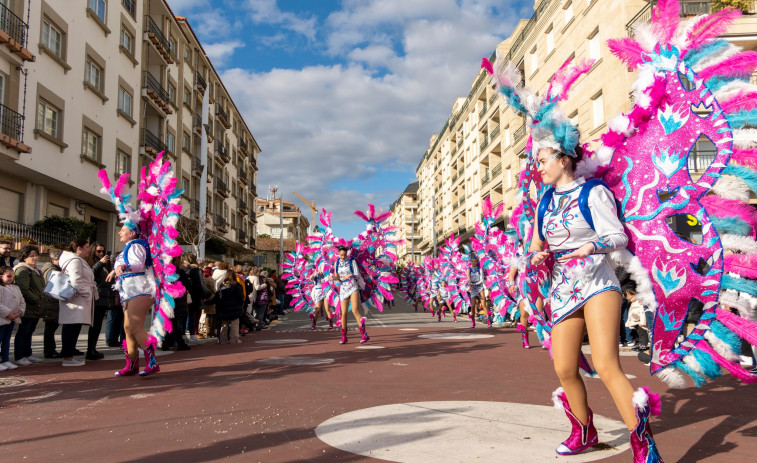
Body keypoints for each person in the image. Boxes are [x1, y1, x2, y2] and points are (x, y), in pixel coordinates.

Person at [529, 144, 651, 455]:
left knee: (606, 364)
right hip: (562, 290)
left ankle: (643, 443)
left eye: (543, 161)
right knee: (565, 367)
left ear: (564, 160)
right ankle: (583, 432)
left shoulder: (593, 191)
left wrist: (592, 246)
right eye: (537, 162)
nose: (538, 168)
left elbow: (618, 236)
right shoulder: (544, 202)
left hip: (597, 282)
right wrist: (535, 256)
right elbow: (535, 243)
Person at [107, 225, 159, 376]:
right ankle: (131, 365)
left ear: (132, 232)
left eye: (123, 230)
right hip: (130, 292)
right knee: (128, 328)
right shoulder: (128, 247)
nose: (119, 232)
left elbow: (137, 264)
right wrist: (114, 270)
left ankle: (152, 361)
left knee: (135, 327)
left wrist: (123, 266)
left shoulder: (135, 244)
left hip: (140, 290)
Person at [58, 239, 97, 367]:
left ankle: (69, 355)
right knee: (71, 328)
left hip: (76, 299)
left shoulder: (76, 260)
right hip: (76, 300)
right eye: (86, 247)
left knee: (72, 327)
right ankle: (68, 357)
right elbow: (76, 282)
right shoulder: (75, 261)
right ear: (78, 248)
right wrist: (86, 292)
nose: (88, 250)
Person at [13, 245, 45, 366]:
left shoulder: (36, 270)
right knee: (23, 331)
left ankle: (28, 353)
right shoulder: (22, 270)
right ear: (24, 257)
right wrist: (36, 299)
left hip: (36, 306)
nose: (35, 257)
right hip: (28, 306)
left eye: (36, 255)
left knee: (30, 331)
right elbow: (23, 289)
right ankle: (20, 356)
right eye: (31, 256)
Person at [331, 245, 368, 344]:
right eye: (340, 255)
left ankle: (364, 334)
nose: (342, 257)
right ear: (338, 254)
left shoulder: (352, 261)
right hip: (343, 289)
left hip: (353, 287)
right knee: (343, 313)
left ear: (347, 253)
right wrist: (334, 278)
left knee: (355, 310)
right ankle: (344, 336)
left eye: (344, 255)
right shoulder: (337, 262)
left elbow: (357, 274)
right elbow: (337, 276)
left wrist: (349, 275)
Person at [87, 242, 113, 360]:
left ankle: (92, 349)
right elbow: (89, 275)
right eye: (98, 251)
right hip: (95, 298)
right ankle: (90, 350)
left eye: (103, 251)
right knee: (94, 325)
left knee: (97, 326)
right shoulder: (92, 263)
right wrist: (99, 263)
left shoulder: (105, 264)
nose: (101, 253)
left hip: (103, 298)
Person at [0, 266, 24, 371]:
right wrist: (8, 314)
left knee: (6, 340)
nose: (11, 278)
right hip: (3, 318)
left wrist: (19, 312)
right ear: (1, 276)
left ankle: (5, 360)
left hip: (12, 318)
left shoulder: (16, 288)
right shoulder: (1, 288)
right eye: (8, 275)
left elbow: (22, 301)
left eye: (12, 276)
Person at [211, 270, 244, 343]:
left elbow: (217, 297)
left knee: (224, 324)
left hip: (223, 308)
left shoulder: (222, 285)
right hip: (234, 307)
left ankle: (223, 339)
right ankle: (234, 339)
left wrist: (207, 302)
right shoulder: (237, 285)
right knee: (234, 324)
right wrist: (240, 304)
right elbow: (240, 297)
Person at [40, 249, 62, 358]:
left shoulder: (49, 268)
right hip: (51, 301)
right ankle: (49, 351)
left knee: (51, 328)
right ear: (54, 260)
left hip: (51, 301)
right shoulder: (52, 270)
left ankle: (50, 350)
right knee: (50, 328)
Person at [185, 254, 207, 342]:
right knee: (192, 315)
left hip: (183, 294)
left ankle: (184, 334)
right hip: (194, 296)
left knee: (184, 316)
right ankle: (192, 334)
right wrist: (203, 295)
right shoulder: (195, 270)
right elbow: (199, 284)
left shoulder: (182, 268)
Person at [309, 266, 334, 330]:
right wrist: (316, 273)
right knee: (317, 310)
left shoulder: (326, 273)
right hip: (318, 292)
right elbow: (310, 278)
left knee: (327, 309)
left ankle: (331, 323)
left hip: (326, 291)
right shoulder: (316, 274)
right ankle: (314, 323)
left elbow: (331, 279)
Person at [467, 256, 487, 328]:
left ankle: (488, 321)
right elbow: (468, 279)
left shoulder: (479, 269)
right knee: (472, 305)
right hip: (473, 288)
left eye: (475, 261)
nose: (473, 263)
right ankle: (473, 322)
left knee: (483, 304)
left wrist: (475, 284)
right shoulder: (469, 269)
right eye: (472, 261)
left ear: (477, 262)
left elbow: (482, 280)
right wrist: (469, 286)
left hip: (480, 286)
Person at [200, 266, 217, 338]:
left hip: (205, 298)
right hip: (212, 297)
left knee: (207, 315)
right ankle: (211, 331)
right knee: (213, 315)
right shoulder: (211, 279)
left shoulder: (204, 278)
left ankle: (208, 331)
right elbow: (214, 289)